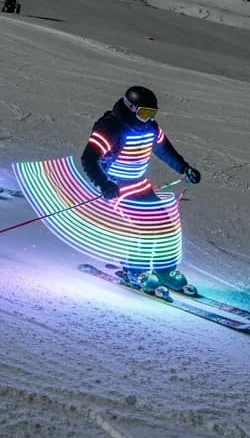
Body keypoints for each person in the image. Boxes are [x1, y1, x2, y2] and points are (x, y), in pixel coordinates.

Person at [80, 85, 201, 295]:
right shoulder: (111, 127)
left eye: (151, 114)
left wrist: (184, 168)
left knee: (164, 223)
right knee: (142, 225)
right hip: (117, 185)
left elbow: (164, 150)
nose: (147, 118)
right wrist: (103, 183)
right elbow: (88, 158)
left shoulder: (150, 128)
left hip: (139, 184)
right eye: (144, 113)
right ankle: (136, 272)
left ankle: (165, 271)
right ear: (130, 107)